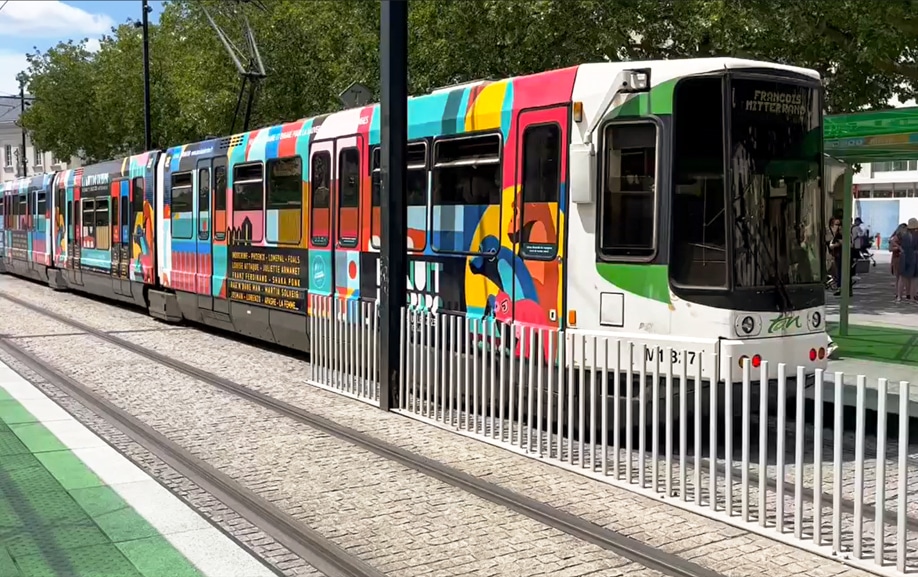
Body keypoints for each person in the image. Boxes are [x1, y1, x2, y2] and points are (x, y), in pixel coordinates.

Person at [890, 223, 907, 301]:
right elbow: (891, 248)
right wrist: (899, 248)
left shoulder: (898, 236)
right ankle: (898, 294)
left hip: (899, 258)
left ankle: (898, 294)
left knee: (899, 277)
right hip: (898, 258)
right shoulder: (897, 237)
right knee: (900, 277)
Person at [904, 218, 918, 302]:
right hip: (915, 258)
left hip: (906, 257)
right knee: (915, 279)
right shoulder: (916, 236)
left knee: (907, 278)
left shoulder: (905, 235)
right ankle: (913, 296)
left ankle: (908, 295)